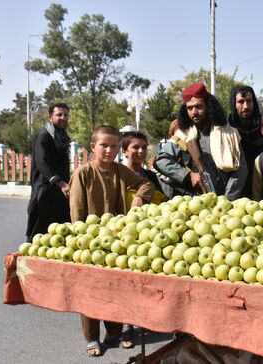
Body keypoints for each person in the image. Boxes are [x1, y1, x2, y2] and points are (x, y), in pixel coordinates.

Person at [69, 125, 155, 357]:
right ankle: (91, 337)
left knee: (115, 288)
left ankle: (114, 332)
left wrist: (138, 199)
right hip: (90, 240)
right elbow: (76, 211)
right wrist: (81, 237)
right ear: (92, 147)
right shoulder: (83, 173)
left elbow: (147, 184)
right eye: (104, 145)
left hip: (117, 239)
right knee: (90, 290)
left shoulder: (120, 171)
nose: (109, 150)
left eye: (114, 146)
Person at [154, 82, 247, 200]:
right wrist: (188, 175)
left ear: (208, 105)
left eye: (198, 106)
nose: (194, 112)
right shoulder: (183, 135)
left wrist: (227, 199)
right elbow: (161, 160)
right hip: (195, 201)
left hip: (226, 200)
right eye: (190, 108)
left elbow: (241, 171)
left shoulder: (229, 133)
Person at [26, 103, 71, 242]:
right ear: (50, 117)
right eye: (59, 115)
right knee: (39, 230)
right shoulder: (44, 136)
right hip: (45, 190)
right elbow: (42, 162)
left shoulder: (62, 137)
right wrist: (60, 182)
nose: (63, 118)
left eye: (66, 115)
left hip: (59, 191)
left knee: (59, 231)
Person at [227, 85, 263, 198]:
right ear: (234, 104)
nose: (245, 106)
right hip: (236, 190)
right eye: (241, 101)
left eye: (249, 101)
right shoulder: (227, 130)